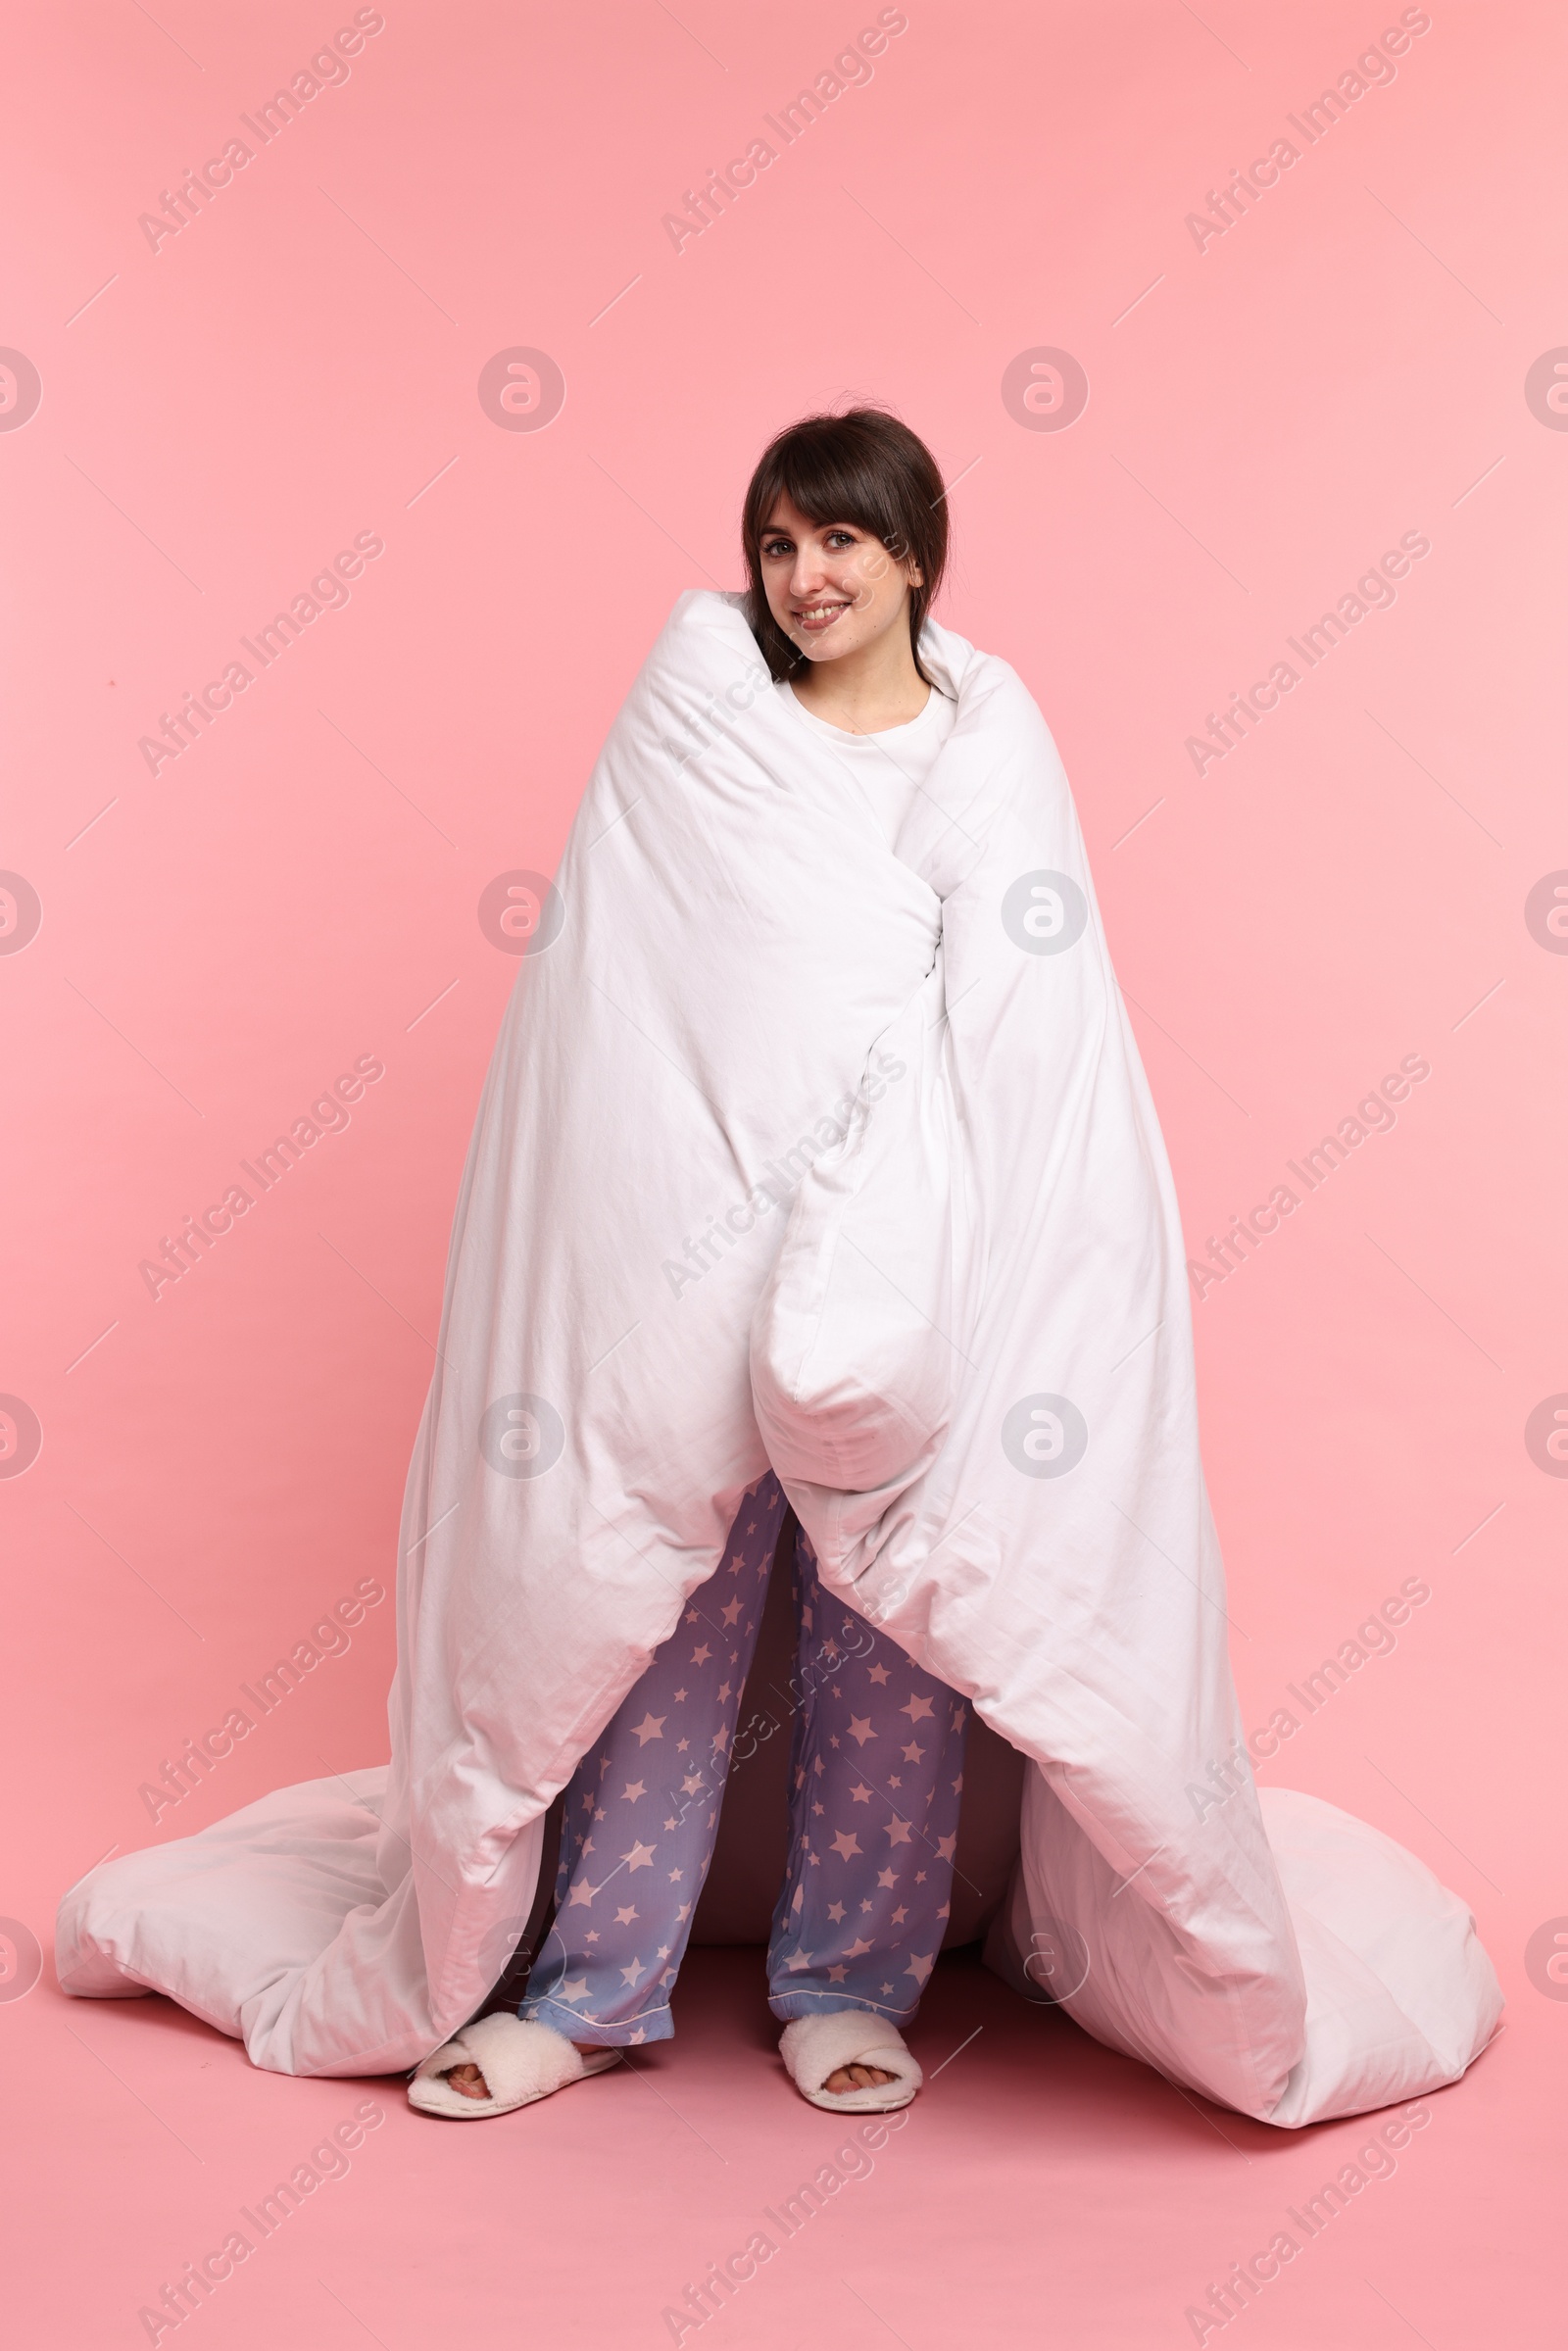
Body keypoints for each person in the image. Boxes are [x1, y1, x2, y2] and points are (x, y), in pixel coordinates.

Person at [420, 411, 969, 2118]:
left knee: (889, 1613)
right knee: (658, 1609)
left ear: (915, 561)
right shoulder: (706, 732)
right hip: (693, 1241)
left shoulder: (982, 748)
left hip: (889, 1239)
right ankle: (593, 1988)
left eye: (843, 545)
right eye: (781, 544)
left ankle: (850, 1982)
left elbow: (1024, 1009)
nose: (806, 578)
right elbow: (631, 989)